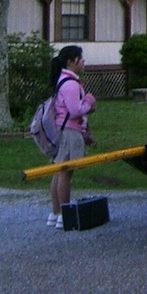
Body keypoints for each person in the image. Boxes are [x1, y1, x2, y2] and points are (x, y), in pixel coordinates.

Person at [47, 45, 97, 229]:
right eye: (80, 58)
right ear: (71, 61)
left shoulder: (63, 81)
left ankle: (55, 212)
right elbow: (75, 110)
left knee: (58, 170)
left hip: (62, 129)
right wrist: (89, 102)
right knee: (66, 172)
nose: (83, 62)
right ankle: (64, 213)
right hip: (69, 131)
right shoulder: (70, 84)